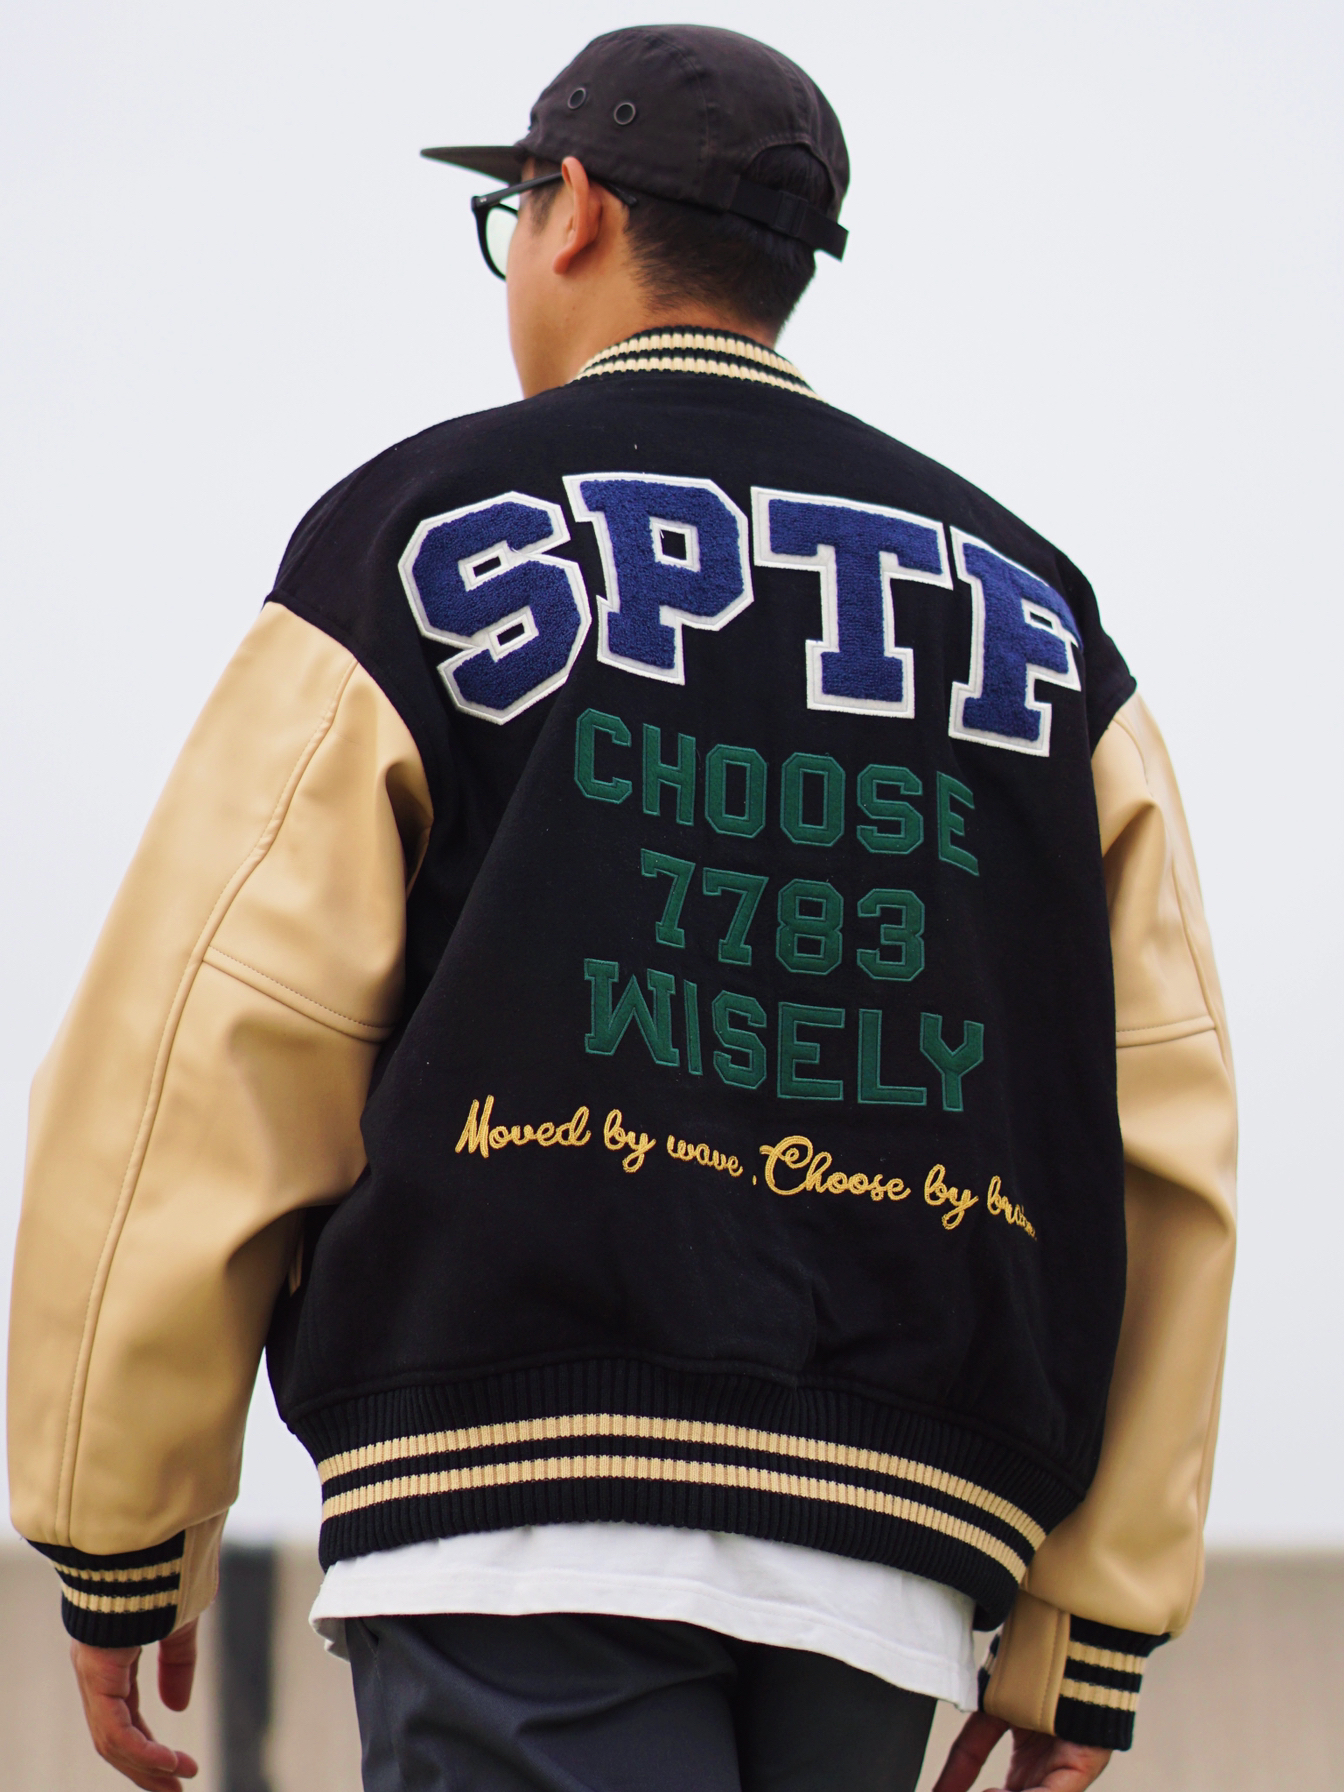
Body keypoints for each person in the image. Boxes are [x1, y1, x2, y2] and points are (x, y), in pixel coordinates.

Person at [7, 24, 1236, 1792]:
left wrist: (117, 1515)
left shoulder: (412, 533)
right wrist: (1089, 1626)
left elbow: (199, 1046)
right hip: (888, 1552)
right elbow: (1159, 1122)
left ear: (570, 209)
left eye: (511, 214)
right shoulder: (1041, 620)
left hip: (504, 1505)